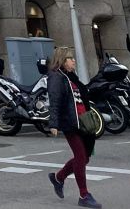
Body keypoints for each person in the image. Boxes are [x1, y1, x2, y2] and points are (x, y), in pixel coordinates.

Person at [47, 46, 101, 207]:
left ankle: (58, 178)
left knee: (85, 158)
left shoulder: (71, 76)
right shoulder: (57, 77)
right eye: (70, 58)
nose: (73, 61)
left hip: (83, 122)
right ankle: (84, 195)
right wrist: (54, 124)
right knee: (80, 157)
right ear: (62, 61)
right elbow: (54, 101)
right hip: (70, 123)